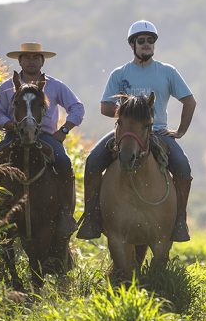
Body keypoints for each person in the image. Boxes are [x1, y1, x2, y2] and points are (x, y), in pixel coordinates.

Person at [76, 20, 197, 241]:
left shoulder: (167, 72)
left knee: (183, 167)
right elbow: (105, 107)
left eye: (150, 41)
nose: (146, 44)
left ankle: (180, 220)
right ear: (133, 45)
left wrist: (180, 131)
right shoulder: (119, 74)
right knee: (93, 161)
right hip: (125, 133)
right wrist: (128, 116)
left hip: (157, 132)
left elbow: (190, 102)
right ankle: (92, 218)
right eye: (141, 41)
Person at [0, 42, 85, 237]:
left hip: (45, 136)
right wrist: (10, 125)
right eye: (27, 57)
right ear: (20, 60)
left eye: (36, 58)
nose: (31, 61)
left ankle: (65, 214)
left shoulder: (56, 86)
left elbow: (77, 107)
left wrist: (64, 129)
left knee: (64, 163)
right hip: (14, 134)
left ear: (42, 61)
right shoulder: (7, 87)